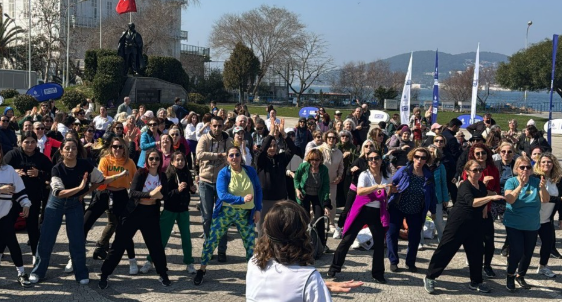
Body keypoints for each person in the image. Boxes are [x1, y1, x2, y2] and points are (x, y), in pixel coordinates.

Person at [30, 139, 127, 285]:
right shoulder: (56, 168)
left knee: (77, 240)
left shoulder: (85, 164)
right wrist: (80, 187)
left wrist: (85, 192)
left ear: (77, 151)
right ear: (61, 151)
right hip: (56, 203)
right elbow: (59, 193)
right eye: (67, 148)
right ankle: (37, 272)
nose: (70, 151)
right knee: (46, 239)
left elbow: (100, 180)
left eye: (73, 148)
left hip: (75, 203)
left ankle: (81, 273)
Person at [423, 160, 505, 294]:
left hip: (475, 224)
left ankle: (476, 281)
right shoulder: (464, 185)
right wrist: (491, 198)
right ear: (467, 172)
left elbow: (482, 200)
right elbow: (472, 202)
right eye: (475, 170)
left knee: (477, 252)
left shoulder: (481, 186)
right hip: (458, 223)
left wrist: (488, 203)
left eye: (480, 169)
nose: (478, 172)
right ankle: (430, 277)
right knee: (446, 249)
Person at [99, 149, 171, 289]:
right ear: (147, 160)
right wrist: (151, 194)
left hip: (150, 215)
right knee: (118, 245)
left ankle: (163, 274)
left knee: (156, 246)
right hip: (133, 213)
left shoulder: (162, 176)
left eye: (156, 158)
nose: (154, 161)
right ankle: (105, 274)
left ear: (160, 160)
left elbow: (166, 194)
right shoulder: (141, 173)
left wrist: (161, 196)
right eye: (151, 158)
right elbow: (133, 193)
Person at [194, 146, 263, 285]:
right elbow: (222, 195)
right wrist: (241, 199)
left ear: (240, 157)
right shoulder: (223, 173)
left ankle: (252, 274)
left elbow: (258, 189)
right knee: (211, 241)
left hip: (246, 213)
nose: (234, 157)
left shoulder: (250, 171)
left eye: (237, 154)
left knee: (250, 244)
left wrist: (258, 209)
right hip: (226, 212)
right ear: (227, 158)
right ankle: (201, 269)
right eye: (231, 155)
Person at [246, 201, 333, 301]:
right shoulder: (309, 277)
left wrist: (319, 286)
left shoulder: (254, 262)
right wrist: (316, 287)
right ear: (302, 235)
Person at [328, 150, 389, 284]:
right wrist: (376, 187)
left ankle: (378, 273)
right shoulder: (365, 175)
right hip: (362, 211)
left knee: (379, 243)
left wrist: (392, 190)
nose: (373, 161)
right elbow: (360, 191)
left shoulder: (386, 176)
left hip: (377, 212)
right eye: (370, 159)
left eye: (376, 158)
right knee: (347, 239)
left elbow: (387, 192)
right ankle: (334, 267)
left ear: (381, 160)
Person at [81, 137, 137, 270]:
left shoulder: (130, 162)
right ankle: (75, 257)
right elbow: (101, 180)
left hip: (121, 195)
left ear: (125, 149)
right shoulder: (105, 160)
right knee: (84, 223)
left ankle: (132, 260)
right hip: (104, 193)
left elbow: (135, 182)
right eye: (114, 146)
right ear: (110, 148)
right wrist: (119, 176)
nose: (117, 149)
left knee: (124, 229)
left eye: (120, 147)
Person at [140, 151, 197, 275]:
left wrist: (192, 190)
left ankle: (189, 262)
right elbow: (164, 195)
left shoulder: (187, 173)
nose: (180, 162)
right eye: (177, 160)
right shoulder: (168, 175)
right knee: (161, 238)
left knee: (186, 238)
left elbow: (189, 189)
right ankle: (150, 261)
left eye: (182, 160)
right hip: (170, 210)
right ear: (172, 162)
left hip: (183, 210)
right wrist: (177, 190)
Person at [3, 131, 53, 264]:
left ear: (36, 143)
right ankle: (1, 250)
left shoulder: (41, 158)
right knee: (6, 224)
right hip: (12, 197)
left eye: (32, 142)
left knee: (32, 225)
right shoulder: (12, 155)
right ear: (21, 142)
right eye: (26, 142)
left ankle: (34, 253)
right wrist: (13, 172)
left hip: (33, 196)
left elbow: (52, 172)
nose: (30, 145)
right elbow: (2, 169)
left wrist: (40, 173)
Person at [387, 147, 437, 273]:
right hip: (398, 207)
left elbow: (431, 195)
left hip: (416, 210)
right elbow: (391, 184)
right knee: (392, 234)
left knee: (414, 238)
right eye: (417, 157)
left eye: (423, 158)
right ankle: (393, 261)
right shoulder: (404, 170)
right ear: (412, 157)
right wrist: (390, 191)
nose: (419, 160)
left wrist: (433, 211)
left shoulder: (428, 176)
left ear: (427, 160)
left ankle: (410, 262)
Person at [503, 156, 549, 292]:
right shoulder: (511, 182)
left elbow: (545, 200)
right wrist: (521, 186)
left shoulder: (536, 181)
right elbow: (509, 199)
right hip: (514, 223)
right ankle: (510, 275)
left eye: (528, 167)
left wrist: (543, 188)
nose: (525, 170)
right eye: (522, 167)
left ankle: (520, 275)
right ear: (516, 169)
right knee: (517, 251)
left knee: (528, 253)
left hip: (532, 224)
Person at [196, 116, 233, 262]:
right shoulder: (204, 138)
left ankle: (222, 250)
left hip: (221, 183)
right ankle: (208, 248)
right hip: (205, 181)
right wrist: (218, 155)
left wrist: (226, 157)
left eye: (219, 125)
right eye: (214, 126)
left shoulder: (227, 140)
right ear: (210, 126)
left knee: (222, 218)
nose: (217, 128)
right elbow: (199, 155)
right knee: (207, 217)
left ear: (223, 126)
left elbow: (232, 156)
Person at [461, 143, 500, 278]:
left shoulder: (493, 169)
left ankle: (487, 265)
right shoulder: (468, 169)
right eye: (477, 153)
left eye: (483, 153)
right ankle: (473, 261)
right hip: (472, 211)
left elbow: (496, 191)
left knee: (489, 241)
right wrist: (485, 185)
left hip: (487, 209)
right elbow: (470, 192)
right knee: (472, 240)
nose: (481, 156)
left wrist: (488, 191)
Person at [0, 144, 33, 287]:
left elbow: (20, 192)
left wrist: (26, 204)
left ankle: (21, 272)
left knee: (12, 243)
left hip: (5, 215)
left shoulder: (9, 170)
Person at [256, 127, 296, 236]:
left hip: (280, 198)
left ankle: (276, 251)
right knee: (262, 228)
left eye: (274, 145)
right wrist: (270, 135)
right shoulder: (261, 160)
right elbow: (261, 152)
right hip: (265, 199)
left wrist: (284, 134)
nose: (272, 148)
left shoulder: (281, 158)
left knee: (278, 228)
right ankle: (262, 252)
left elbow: (292, 149)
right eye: (270, 146)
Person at [294, 149, 332, 254]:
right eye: (312, 160)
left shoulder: (323, 170)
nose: (314, 162)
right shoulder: (304, 167)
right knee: (304, 219)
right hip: (304, 194)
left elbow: (325, 187)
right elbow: (296, 178)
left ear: (321, 160)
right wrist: (297, 189)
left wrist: (326, 204)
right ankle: (302, 243)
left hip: (317, 195)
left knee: (319, 219)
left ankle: (322, 244)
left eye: (317, 160)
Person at [335, 140, 375, 238]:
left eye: (370, 146)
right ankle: (339, 227)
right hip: (355, 188)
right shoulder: (359, 160)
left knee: (365, 211)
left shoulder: (375, 161)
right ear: (363, 148)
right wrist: (351, 170)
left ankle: (363, 232)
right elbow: (348, 172)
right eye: (366, 146)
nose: (368, 148)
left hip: (367, 190)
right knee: (347, 209)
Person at [533, 153, 561, 278]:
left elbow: (561, 201)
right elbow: (537, 198)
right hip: (532, 217)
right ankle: (517, 269)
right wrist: (555, 199)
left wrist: (561, 217)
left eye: (549, 162)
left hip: (546, 218)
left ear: (553, 163)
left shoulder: (558, 180)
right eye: (543, 162)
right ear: (539, 164)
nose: (546, 164)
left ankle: (542, 267)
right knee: (526, 245)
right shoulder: (534, 177)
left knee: (548, 244)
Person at [316, 130, 344, 234]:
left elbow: (341, 167)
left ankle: (331, 223)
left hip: (332, 182)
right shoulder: (319, 149)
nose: (331, 139)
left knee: (331, 203)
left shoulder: (339, 152)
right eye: (329, 138)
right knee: (316, 202)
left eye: (333, 138)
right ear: (326, 138)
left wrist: (339, 176)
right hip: (318, 182)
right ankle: (313, 222)